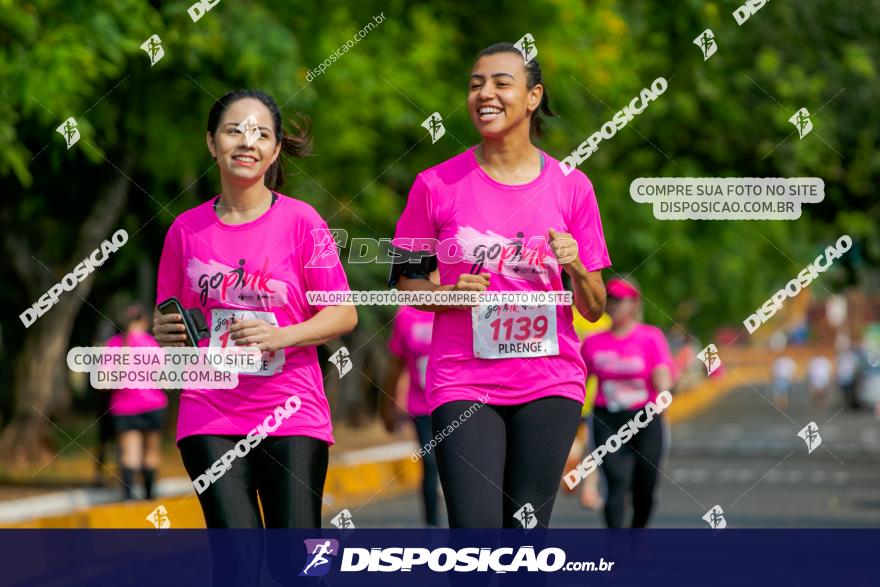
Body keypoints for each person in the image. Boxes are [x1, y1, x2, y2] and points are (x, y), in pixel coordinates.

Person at [390, 43, 610, 528]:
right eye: (475, 84)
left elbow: (594, 308)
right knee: (474, 539)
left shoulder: (572, 186)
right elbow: (406, 284)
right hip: (463, 381)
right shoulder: (434, 185)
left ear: (533, 97)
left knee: (525, 544)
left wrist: (575, 267)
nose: (484, 93)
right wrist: (450, 295)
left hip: (549, 382)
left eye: (500, 83)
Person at [153, 89, 357, 528]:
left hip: (291, 411)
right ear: (211, 142)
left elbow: (343, 313)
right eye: (234, 131)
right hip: (209, 410)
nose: (247, 143)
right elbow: (172, 324)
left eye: (260, 134)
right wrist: (166, 333)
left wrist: (282, 335)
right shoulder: (185, 230)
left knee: (295, 565)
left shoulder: (304, 222)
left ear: (275, 149)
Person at [580, 278, 674, 528]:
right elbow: (579, 378)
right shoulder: (593, 342)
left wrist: (664, 387)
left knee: (645, 486)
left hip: (646, 418)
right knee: (616, 481)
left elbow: (663, 371)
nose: (613, 306)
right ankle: (617, 549)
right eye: (609, 300)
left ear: (633, 304)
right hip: (607, 419)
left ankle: (637, 534)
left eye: (619, 301)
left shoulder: (650, 337)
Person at [381, 297, 440, 527]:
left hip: (456, 402)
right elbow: (396, 365)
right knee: (431, 461)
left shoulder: (455, 307)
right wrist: (387, 406)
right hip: (422, 406)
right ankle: (432, 525)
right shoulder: (405, 315)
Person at [103, 303, 168, 500]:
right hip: (154, 404)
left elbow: (104, 383)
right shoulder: (151, 343)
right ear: (144, 321)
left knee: (129, 454)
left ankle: (128, 498)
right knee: (151, 453)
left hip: (124, 407)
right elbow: (164, 379)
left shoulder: (113, 345)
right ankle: (149, 497)